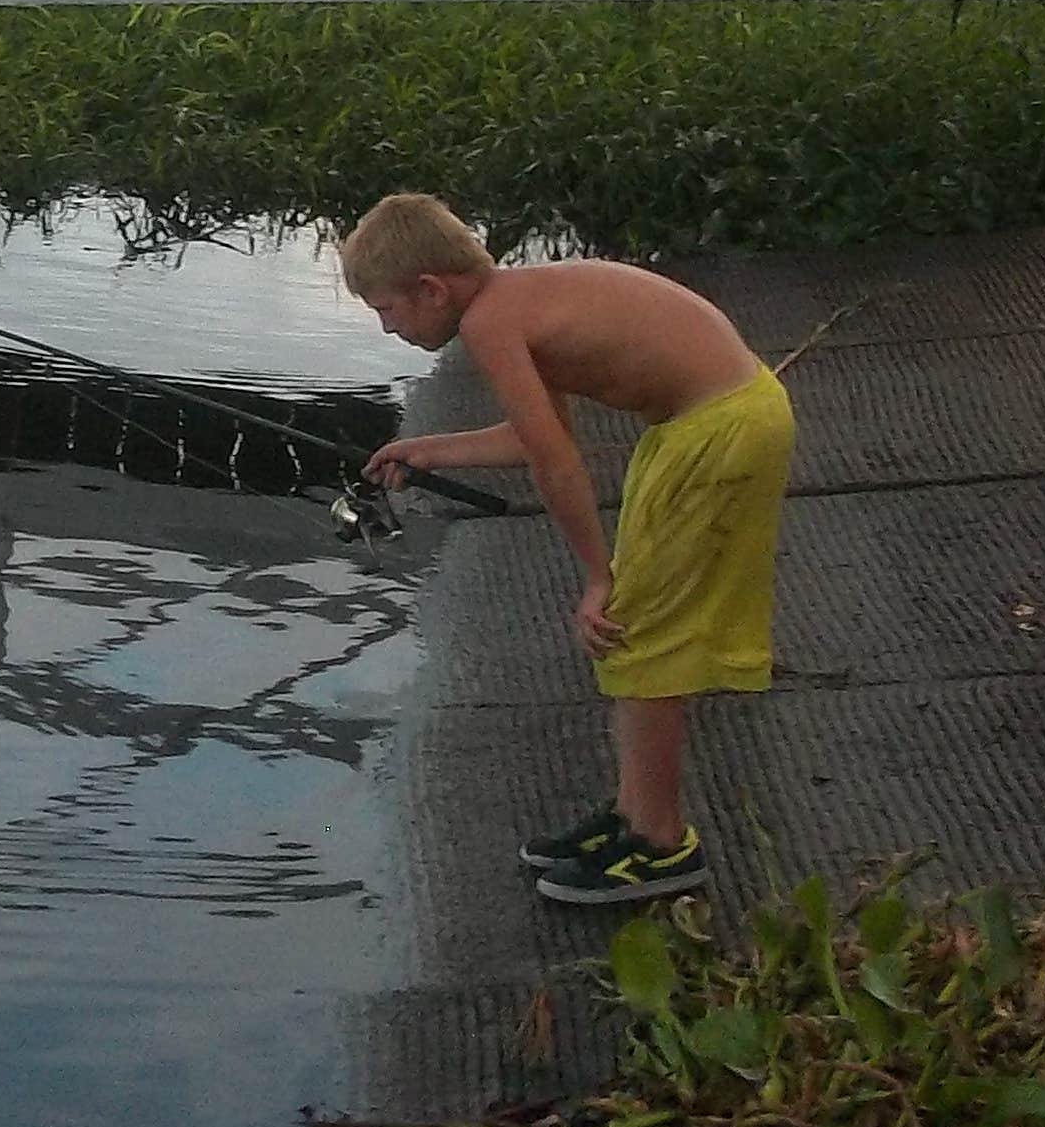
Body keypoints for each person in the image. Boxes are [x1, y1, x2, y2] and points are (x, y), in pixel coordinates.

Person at [340, 193, 795, 905]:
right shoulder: (514, 301)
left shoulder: (491, 322)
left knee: (630, 627)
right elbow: (529, 437)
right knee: (636, 631)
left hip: (718, 430)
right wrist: (425, 449)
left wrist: (595, 575)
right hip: (706, 422)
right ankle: (634, 815)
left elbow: (556, 462)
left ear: (431, 290)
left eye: (387, 310)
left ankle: (660, 846)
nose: (388, 326)